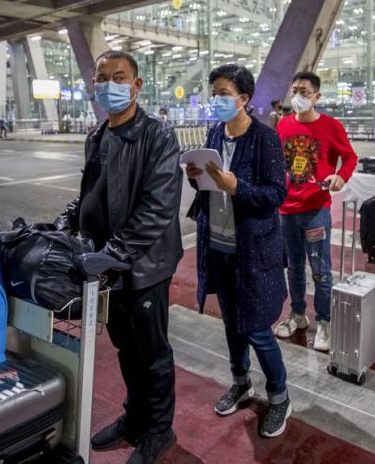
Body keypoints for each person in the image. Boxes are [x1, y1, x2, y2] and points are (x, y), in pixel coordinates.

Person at [55, 49, 182, 464]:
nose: (110, 84)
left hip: (143, 267)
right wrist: (66, 220)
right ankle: (135, 418)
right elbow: (90, 194)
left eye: (120, 77)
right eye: (103, 77)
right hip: (106, 268)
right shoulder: (97, 135)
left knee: (152, 352)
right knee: (127, 348)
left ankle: (159, 430)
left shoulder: (158, 135)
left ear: (137, 85)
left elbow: (158, 208)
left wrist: (112, 254)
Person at [186, 64, 292, 438]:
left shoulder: (265, 139)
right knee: (231, 324)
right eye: (213, 93)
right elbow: (210, 186)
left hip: (253, 250)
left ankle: (279, 396)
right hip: (217, 244)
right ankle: (241, 381)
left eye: (223, 93)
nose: (217, 100)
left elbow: (276, 194)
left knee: (258, 329)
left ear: (243, 99)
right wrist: (197, 180)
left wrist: (237, 187)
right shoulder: (214, 133)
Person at [274, 71, 358, 352]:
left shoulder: (331, 126)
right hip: (286, 210)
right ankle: (297, 314)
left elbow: (349, 156)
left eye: (304, 92)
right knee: (294, 268)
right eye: (294, 90)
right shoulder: (283, 125)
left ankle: (325, 321)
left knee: (321, 270)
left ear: (317, 96)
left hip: (315, 210)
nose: (297, 96)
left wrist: (340, 176)